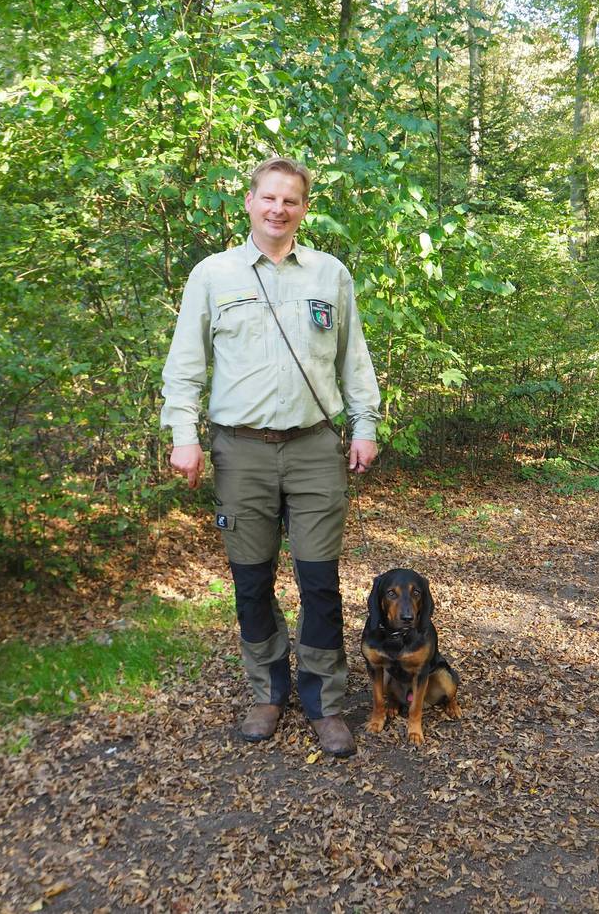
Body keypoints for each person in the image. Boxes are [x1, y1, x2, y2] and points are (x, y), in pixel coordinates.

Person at [160, 157, 381, 757]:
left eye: (291, 200)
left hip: (313, 447)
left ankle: (324, 701)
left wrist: (365, 424)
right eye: (269, 198)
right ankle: (267, 691)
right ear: (249, 202)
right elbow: (185, 366)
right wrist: (184, 435)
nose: (279, 209)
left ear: (304, 208)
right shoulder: (213, 275)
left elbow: (352, 360)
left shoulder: (330, 275)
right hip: (242, 450)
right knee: (252, 582)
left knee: (319, 582)